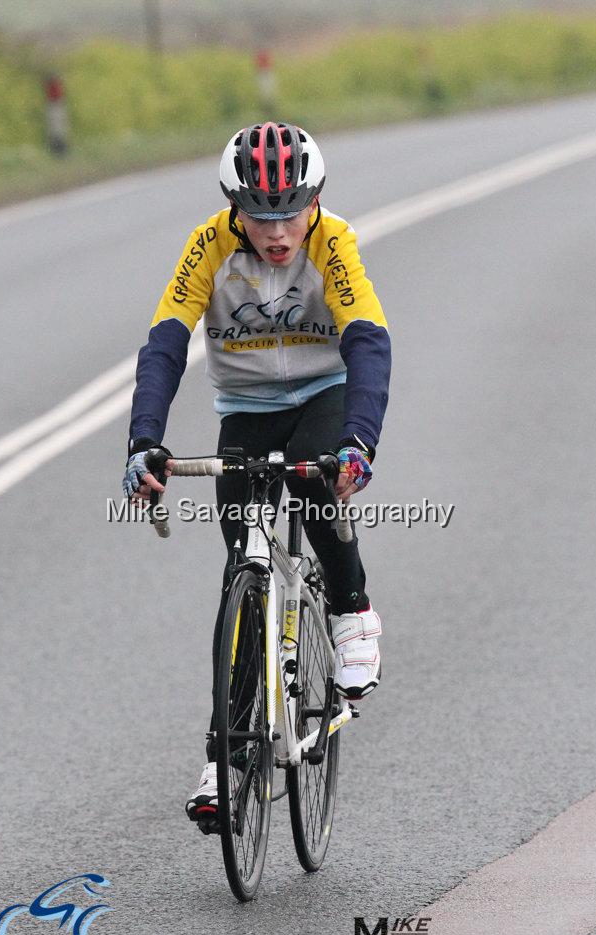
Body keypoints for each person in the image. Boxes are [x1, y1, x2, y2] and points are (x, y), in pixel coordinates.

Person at [122, 122, 391, 824]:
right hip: (244, 410)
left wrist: (359, 440)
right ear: (235, 208)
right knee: (241, 565)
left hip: (322, 395)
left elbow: (367, 338)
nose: (277, 231)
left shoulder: (332, 240)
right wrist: (143, 442)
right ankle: (225, 756)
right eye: (260, 214)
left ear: (316, 200)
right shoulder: (208, 245)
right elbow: (163, 346)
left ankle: (351, 609)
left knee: (311, 480)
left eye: (290, 210)